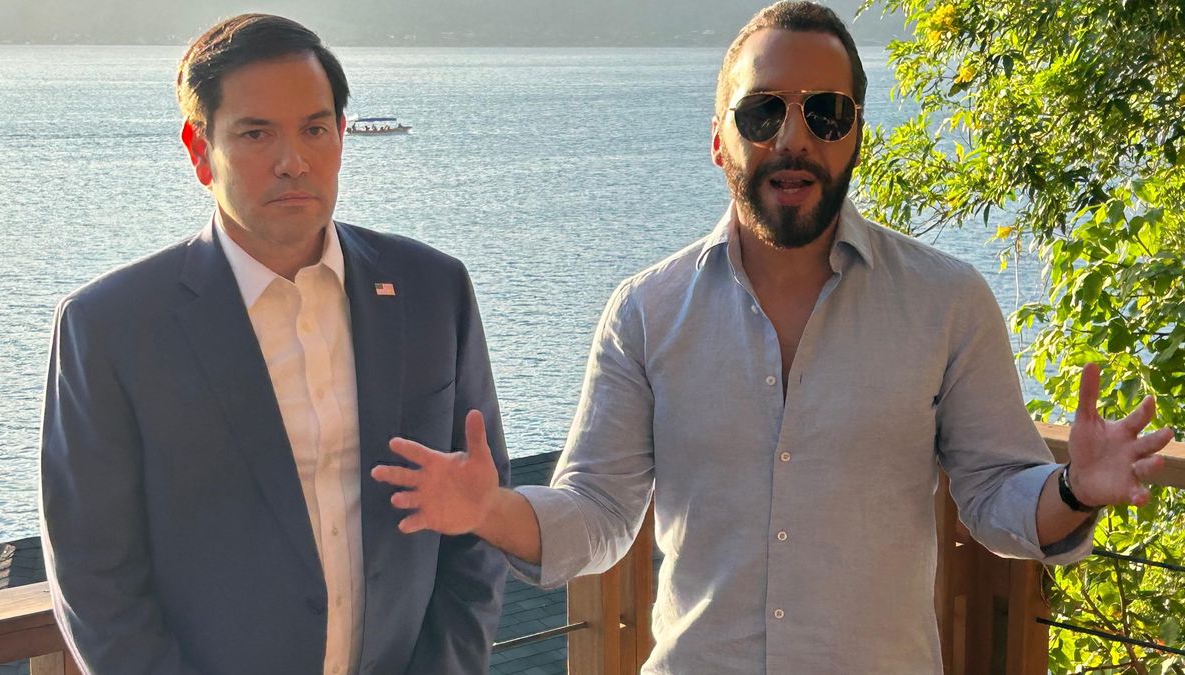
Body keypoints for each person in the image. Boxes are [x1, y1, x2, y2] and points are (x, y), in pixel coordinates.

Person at [370, 2, 1175, 672]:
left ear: (857, 135)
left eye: (825, 112)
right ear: (720, 140)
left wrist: (1074, 489)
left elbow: (998, 496)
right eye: (763, 112)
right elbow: (599, 511)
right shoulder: (646, 311)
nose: (794, 138)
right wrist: (494, 508)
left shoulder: (947, 302)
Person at [39, 14, 508, 675]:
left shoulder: (433, 290)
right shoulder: (111, 326)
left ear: (341, 136)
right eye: (256, 133)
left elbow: (479, 520)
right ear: (199, 150)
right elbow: (96, 578)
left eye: (315, 129)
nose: (293, 162)